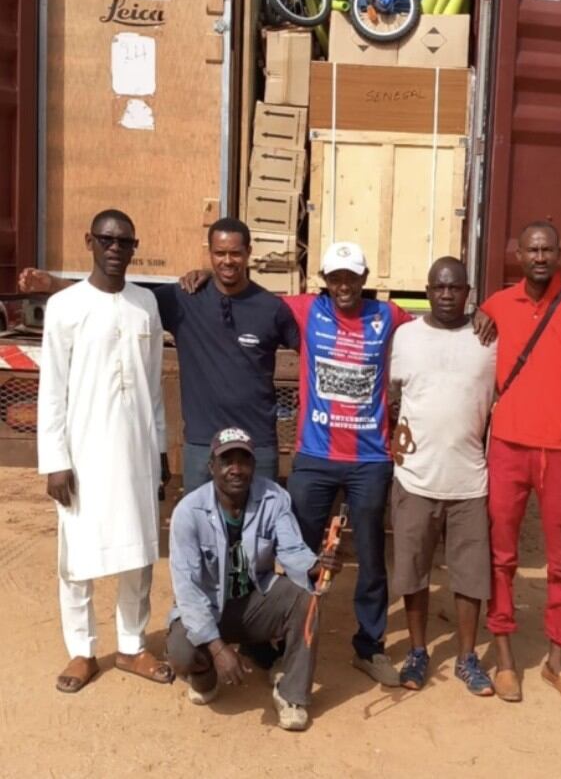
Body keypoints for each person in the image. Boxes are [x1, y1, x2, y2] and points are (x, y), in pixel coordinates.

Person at [22, 217, 299, 492]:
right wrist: (52, 283)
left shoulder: (271, 308)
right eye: (220, 253)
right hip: (203, 444)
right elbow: (116, 295)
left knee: (260, 530)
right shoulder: (184, 299)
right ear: (210, 253)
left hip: (258, 443)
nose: (228, 261)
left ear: (249, 253)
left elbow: (310, 346)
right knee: (201, 530)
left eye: (235, 253)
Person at [37, 210, 173, 694]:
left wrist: (159, 451)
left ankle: (133, 645)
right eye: (106, 240)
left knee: (138, 552)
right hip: (83, 455)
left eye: (124, 242)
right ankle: (81, 649)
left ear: (135, 247)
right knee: (77, 555)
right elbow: (52, 391)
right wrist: (55, 460)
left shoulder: (145, 306)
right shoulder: (66, 306)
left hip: (136, 452)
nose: (115, 249)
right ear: (89, 241)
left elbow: (154, 386)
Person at [478, 221, 561, 704]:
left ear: (560, 252)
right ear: (518, 255)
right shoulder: (496, 305)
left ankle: (557, 662)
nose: (539, 257)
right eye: (532, 249)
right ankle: (506, 659)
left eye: (547, 249)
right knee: (502, 557)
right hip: (509, 448)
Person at [283, 242, 413, 688]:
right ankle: (291, 640)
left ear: (364, 278)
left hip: (369, 461)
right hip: (315, 457)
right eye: (335, 277)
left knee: (372, 557)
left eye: (351, 277)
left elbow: (436, 327)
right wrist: (201, 279)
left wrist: (481, 315)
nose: (343, 286)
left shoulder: (388, 317)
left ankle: (370, 646)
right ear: (323, 279)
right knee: (297, 550)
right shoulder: (304, 310)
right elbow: (246, 297)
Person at [167, 427, 341, 731]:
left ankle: (291, 694)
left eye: (243, 461)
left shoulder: (274, 497)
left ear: (253, 465)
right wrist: (219, 649)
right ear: (212, 467)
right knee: (181, 652)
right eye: (226, 461)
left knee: (305, 598)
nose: (236, 469)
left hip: (253, 600)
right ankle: (204, 676)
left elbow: (291, 550)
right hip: (208, 605)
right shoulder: (188, 512)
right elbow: (188, 589)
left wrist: (314, 566)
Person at [389, 257, 496, 695]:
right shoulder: (407, 337)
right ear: (427, 290)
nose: (447, 295)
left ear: (469, 292)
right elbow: (393, 393)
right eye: (439, 287)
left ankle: (468, 658)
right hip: (415, 477)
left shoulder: (488, 338)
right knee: (413, 572)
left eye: (456, 288)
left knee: (470, 577)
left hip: (471, 480)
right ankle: (417, 652)